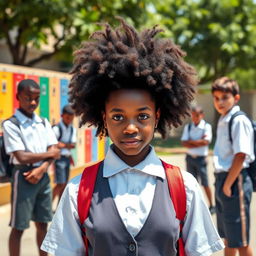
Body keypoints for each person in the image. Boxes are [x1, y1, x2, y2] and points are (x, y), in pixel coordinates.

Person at [41, 18, 224, 256]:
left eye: (142, 117)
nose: (130, 128)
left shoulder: (184, 186)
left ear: (157, 116)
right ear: (103, 117)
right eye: (118, 117)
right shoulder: (79, 190)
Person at [2, 79, 60, 256]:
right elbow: (21, 156)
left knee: (43, 224)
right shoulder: (11, 124)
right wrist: (49, 156)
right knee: (19, 227)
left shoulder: (43, 122)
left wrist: (42, 168)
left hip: (42, 176)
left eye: (36, 98)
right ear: (18, 96)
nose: (33, 103)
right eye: (28, 98)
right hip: (24, 176)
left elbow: (55, 151)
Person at [211, 77, 254, 256]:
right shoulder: (224, 119)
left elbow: (241, 154)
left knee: (241, 242)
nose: (220, 102)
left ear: (236, 98)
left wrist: (228, 185)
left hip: (234, 181)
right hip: (223, 180)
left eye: (225, 97)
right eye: (216, 98)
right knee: (228, 238)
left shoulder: (238, 120)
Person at [181, 105, 215, 214]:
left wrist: (191, 142)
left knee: (205, 183)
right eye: (193, 115)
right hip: (190, 158)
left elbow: (206, 142)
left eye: (197, 115)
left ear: (202, 115)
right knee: (191, 183)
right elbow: (184, 142)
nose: (194, 117)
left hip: (201, 159)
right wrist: (199, 142)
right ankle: (193, 206)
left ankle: (211, 205)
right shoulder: (189, 127)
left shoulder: (206, 126)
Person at [52, 104, 76, 205]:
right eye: (67, 118)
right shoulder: (57, 128)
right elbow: (54, 144)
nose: (69, 120)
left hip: (66, 158)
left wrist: (62, 144)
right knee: (60, 183)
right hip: (59, 159)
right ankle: (48, 206)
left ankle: (59, 206)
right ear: (62, 116)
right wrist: (66, 145)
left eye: (71, 118)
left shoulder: (72, 129)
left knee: (64, 184)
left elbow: (73, 145)